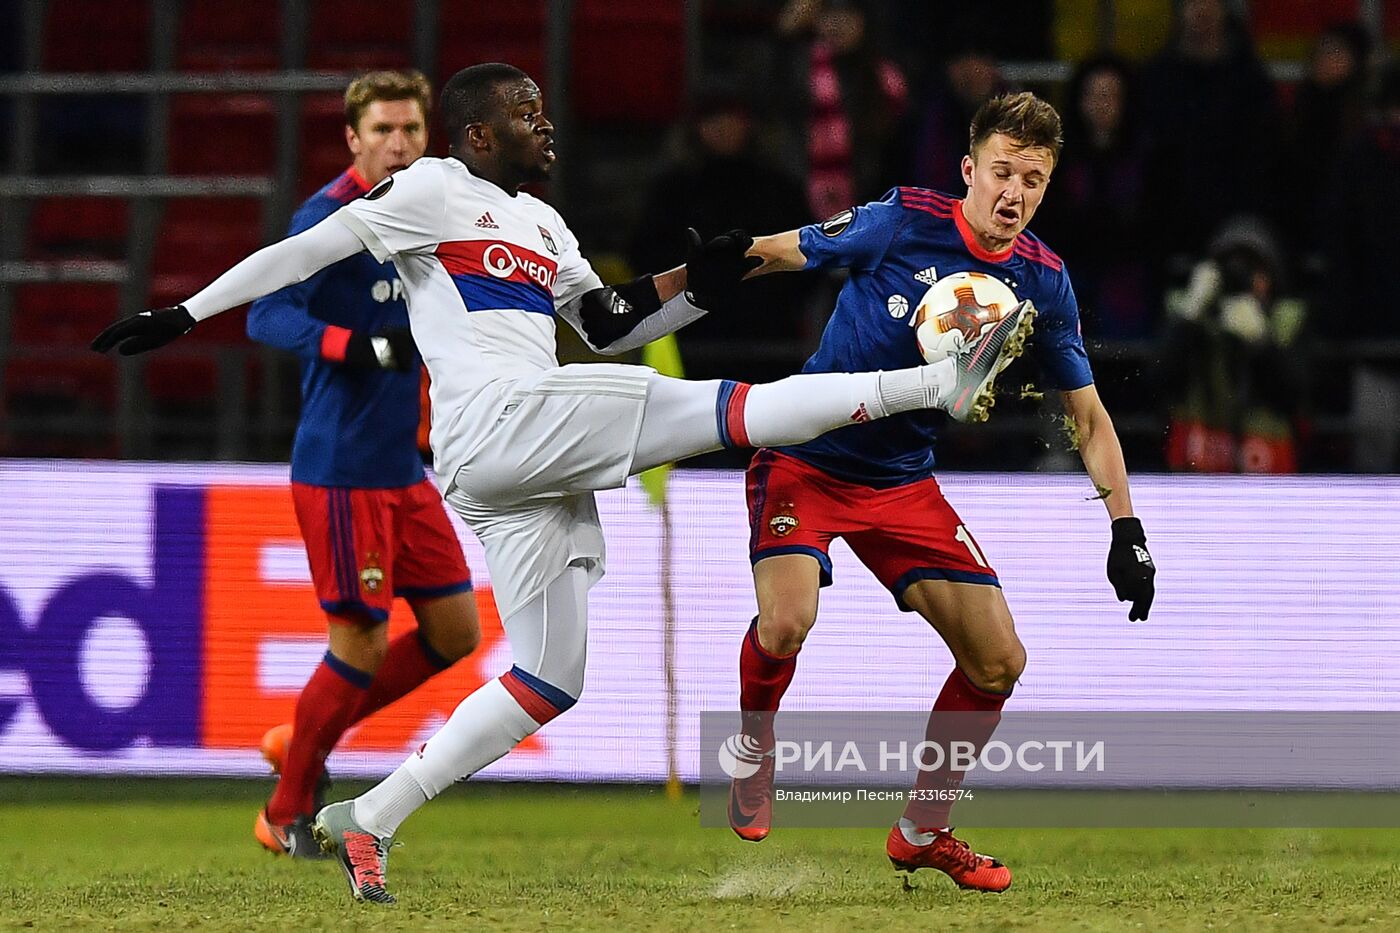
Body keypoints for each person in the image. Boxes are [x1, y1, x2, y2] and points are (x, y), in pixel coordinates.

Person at [91, 62, 1034, 904]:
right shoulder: (430, 187)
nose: (545, 123)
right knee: (734, 409)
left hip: (515, 464)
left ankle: (369, 817)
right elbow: (303, 253)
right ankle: (937, 384)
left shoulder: (543, 223)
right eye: (525, 110)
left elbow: (611, 321)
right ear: (477, 133)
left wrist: (700, 283)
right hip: (501, 419)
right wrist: (185, 312)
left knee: (550, 677)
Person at [724, 92, 1157, 892]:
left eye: (1033, 179)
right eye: (1002, 172)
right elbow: (796, 249)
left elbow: (1089, 418)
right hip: (805, 458)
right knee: (786, 622)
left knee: (999, 661)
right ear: (968, 170)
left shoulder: (1043, 281)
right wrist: (726, 259)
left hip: (900, 482)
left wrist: (1126, 530)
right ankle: (753, 745)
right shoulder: (903, 220)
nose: (1014, 193)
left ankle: (922, 830)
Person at [243, 70, 481, 859]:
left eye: (411, 130)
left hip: (402, 468)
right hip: (341, 467)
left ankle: (302, 736)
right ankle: (285, 808)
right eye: (383, 130)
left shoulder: (432, 213)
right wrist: (356, 344)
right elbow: (266, 312)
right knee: (360, 641)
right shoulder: (327, 218)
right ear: (353, 139)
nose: (399, 144)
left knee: (455, 630)